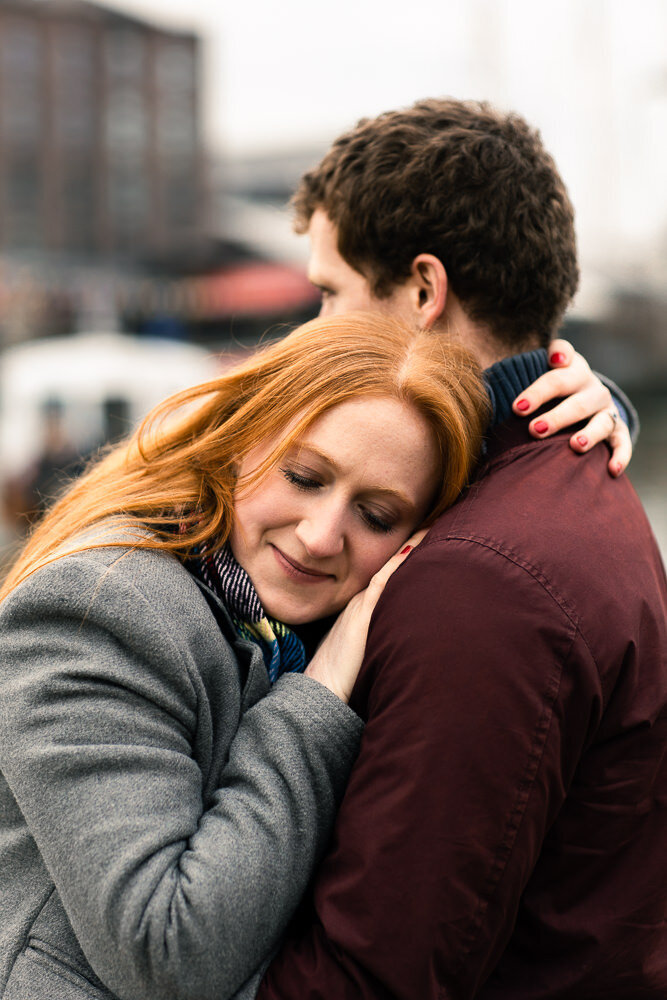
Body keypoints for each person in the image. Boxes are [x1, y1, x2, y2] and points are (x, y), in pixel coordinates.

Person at [248, 100, 667, 998]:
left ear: (423, 291)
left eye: (327, 293)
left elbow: (371, 975)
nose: (308, 331)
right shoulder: (562, 482)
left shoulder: (484, 581)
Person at [0, 313, 492, 1000]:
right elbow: (167, 956)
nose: (321, 536)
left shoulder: (298, 626)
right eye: (304, 476)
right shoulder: (98, 610)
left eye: (376, 517)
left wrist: (595, 410)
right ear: (239, 441)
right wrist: (314, 701)